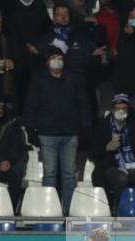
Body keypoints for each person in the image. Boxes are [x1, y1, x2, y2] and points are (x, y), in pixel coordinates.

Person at [23, 47, 90, 214]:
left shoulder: (73, 79)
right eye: (53, 57)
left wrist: (86, 127)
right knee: (49, 173)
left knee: (69, 174)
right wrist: (30, 129)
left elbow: (83, 104)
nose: (57, 60)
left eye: (59, 57)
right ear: (47, 61)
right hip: (47, 133)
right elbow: (31, 105)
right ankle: (49, 209)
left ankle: (69, 210)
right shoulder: (39, 80)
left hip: (70, 133)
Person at [90, 93, 135, 213]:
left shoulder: (133, 125)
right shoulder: (102, 126)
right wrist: (106, 147)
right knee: (121, 178)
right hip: (110, 166)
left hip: (132, 165)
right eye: (118, 108)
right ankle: (117, 209)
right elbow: (93, 152)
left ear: (128, 110)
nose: (121, 111)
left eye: (124, 108)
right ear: (112, 110)